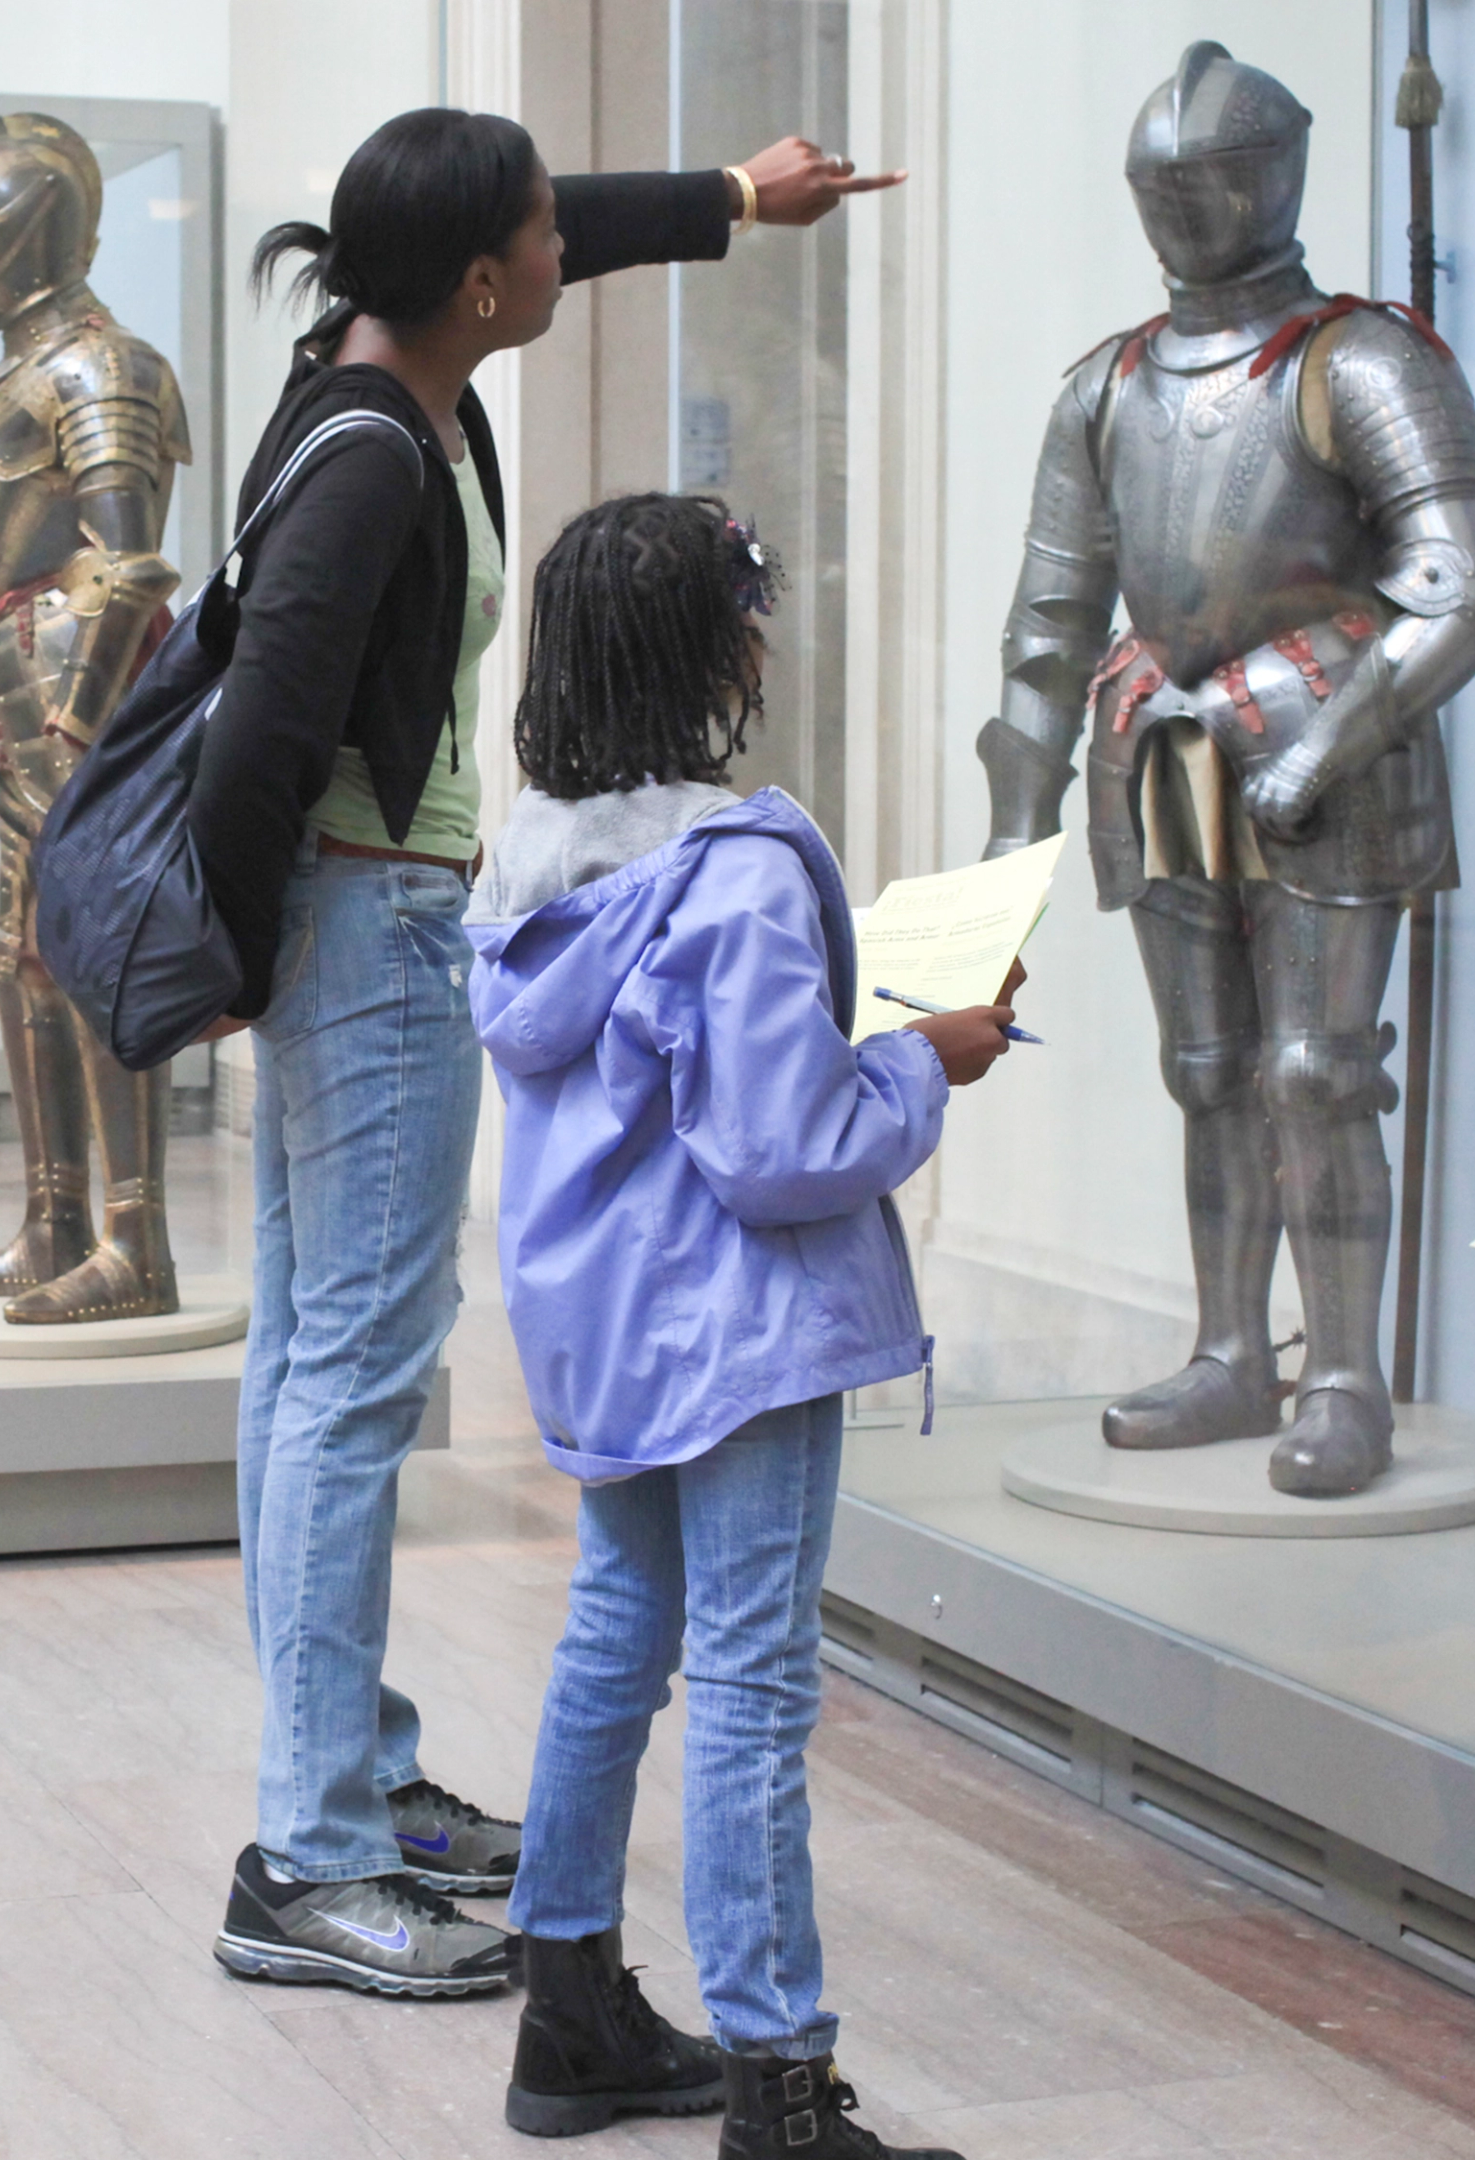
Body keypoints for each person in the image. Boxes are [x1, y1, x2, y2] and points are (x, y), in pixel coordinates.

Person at [194, 111, 897, 2000]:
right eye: (540, 235)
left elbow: (545, 218)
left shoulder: (389, 361)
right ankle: (313, 1853)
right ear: (480, 280)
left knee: (309, 1365)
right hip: (363, 925)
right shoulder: (371, 456)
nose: (563, 249)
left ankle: (347, 1777)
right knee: (352, 1382)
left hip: (351, 920)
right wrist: (251, 960)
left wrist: (734, 200)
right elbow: (258, 735)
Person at [469, 496, 1007, 2159]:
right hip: (740, 1333)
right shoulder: (741, 870)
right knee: (754, 1689)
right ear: (711, 655)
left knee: (615, 1635)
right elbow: (782, 1152)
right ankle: (781, 2086)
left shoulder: (529, 855)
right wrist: (924, 1061)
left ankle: (569, 2014)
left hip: (606, 1329)